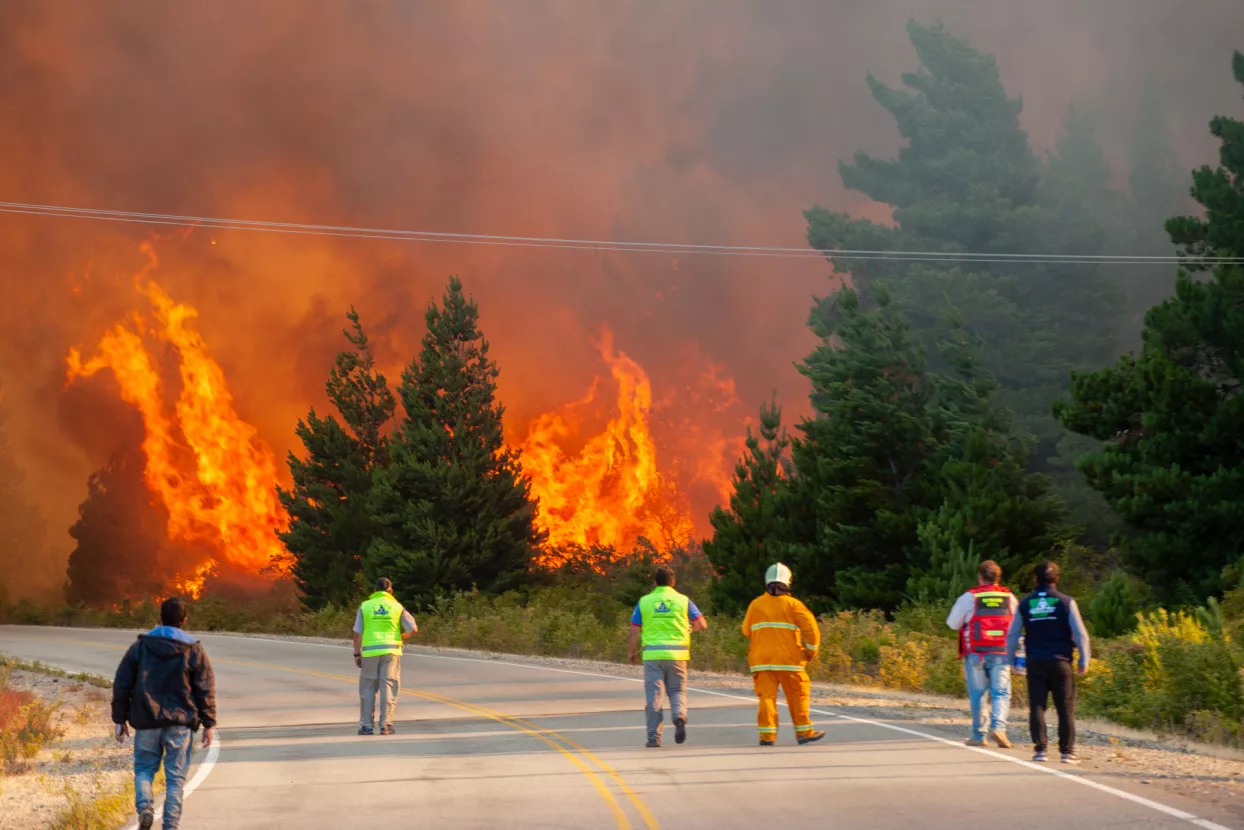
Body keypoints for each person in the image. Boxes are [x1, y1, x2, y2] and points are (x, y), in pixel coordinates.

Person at [112, 597, 216, 830]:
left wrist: (119, 720)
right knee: (175, 779)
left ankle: (146, 808)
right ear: (184, 620)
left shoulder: (140, 647)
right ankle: (170, 825)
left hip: (147, 720)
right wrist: (209, 724)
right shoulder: (194, 649)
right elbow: (204, 687)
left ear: (160, 618)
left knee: (144, 769)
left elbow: (122, 683)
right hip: (180, 723)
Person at [1006, 561, 1091, 764]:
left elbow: (1012, 634)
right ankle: (1067, 752)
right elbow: (1081, 634)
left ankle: (1040, 751)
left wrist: (1011, 661)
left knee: (1036, 706)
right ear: (1056, 579)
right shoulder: (1066, 602)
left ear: (1035, 579)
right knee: (1065, 708)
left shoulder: (1025, 604)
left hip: (1035, 662)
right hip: (1061, 662)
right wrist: (1084, 659)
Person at [742, 563, 825, 746]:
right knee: (798, 695)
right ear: (787, 582)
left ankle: (767, 737)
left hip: (761, 661)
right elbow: (811, 631)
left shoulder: (755, 605)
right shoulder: (794, 605)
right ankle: (804, 732)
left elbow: (746, 631)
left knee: (766, 698)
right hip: (790, 661)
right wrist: (810, 651)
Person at [628, 564, 708, 747]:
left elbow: (634, 631)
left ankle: (653, 738)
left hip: (652, 656)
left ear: (655, 583)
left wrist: (631, 652)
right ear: (673, 582)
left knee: (654, 696)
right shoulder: (683, 600)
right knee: (677, 691)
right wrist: (689, 629)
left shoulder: (644, 601)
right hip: (677, 655)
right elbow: (702, 624)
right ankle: (679, 716)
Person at [946, 559, 1018, 748]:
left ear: (980, 577)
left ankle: (979, 736)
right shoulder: (1009, 598)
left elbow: (952, 623)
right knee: (1001, 692)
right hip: (1002, 653)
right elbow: (1018, 624)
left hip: (975, 654)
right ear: (998, 578)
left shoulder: (969, 598)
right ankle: (999, 728)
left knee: (978, 694)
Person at [353, 577, 417, 735]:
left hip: (369, 653)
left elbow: (357, 634)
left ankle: (366, 726)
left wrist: (356, 654)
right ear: (391, 591)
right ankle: (385, 725)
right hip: (391, 652)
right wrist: (402, 636)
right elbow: (413, 629)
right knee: (387, 687)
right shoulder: (397, 606)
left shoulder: (365, 606)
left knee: (367, 688)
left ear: (374, 590)